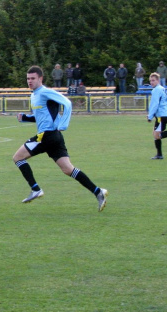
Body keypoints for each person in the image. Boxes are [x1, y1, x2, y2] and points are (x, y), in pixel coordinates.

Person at [13, 65, 108, 211]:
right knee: (68, 169)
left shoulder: (46, 92)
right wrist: (25, 117)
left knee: (18, 158)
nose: (29, 81)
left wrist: (63, 124)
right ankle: (98, 192)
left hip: (47, 136)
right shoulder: (34, 95)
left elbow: (67, 103)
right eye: (28, 79)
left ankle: (36, 189)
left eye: (33, 78)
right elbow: (42, 118)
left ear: (40, 79)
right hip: (54, 137)